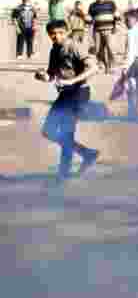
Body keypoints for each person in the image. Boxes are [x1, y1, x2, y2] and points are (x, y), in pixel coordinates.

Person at [34, 20, 101, 184]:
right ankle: (87, 154)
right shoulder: (54, 49)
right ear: (49, 35)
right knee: (48, 131)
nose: (57, 36)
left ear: (67, 31)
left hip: (78, 93)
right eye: (53, 34)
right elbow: (52, 75)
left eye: (60, 33)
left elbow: (94, 68)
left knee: (66, 132)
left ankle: (63, 175)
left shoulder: (74, 46)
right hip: (65, 94)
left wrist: (73, 81)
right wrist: (44, 77)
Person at [87, 0, 118, 73]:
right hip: (97, 30)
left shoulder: (111, 3)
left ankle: (112, 66)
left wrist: (115, 27)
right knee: (98, 49)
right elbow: (89, 18)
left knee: (110, 48)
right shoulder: (92, 6)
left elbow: (116, 16)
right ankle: (103, 65)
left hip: (109, 29)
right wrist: (87, 21)